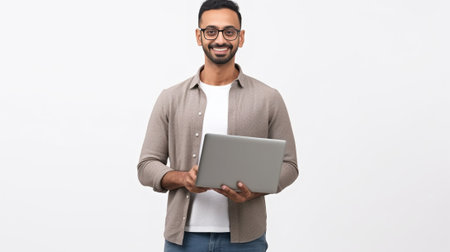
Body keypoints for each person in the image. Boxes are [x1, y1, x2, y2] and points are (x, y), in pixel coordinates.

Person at [137, 0, 298, 251]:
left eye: (229, 31)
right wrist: (182, 178)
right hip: (184, 240)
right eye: (211, 31)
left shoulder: (268, 98)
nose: (220, 39)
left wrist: (253, 190)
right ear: (198, 36)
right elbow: (146, 166)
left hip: (246, 240)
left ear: (241, 37)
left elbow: (289, 166)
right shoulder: (171, 98)